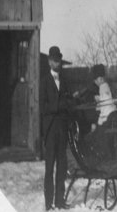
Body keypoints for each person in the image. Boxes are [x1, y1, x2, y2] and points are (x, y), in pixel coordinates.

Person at [40, 46, 71, 211]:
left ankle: (59, 201)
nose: (56, 63)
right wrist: (60, 105)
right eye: (53, 60)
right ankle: (48, 203)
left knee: (62, 166)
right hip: (50, 129)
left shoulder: (65, 80)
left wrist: (66, 104)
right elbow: (43, 106)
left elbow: (69, 100)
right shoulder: (44, 81)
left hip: (62, 128)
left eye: (58, 60)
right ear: (49, 61)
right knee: (49, 167)